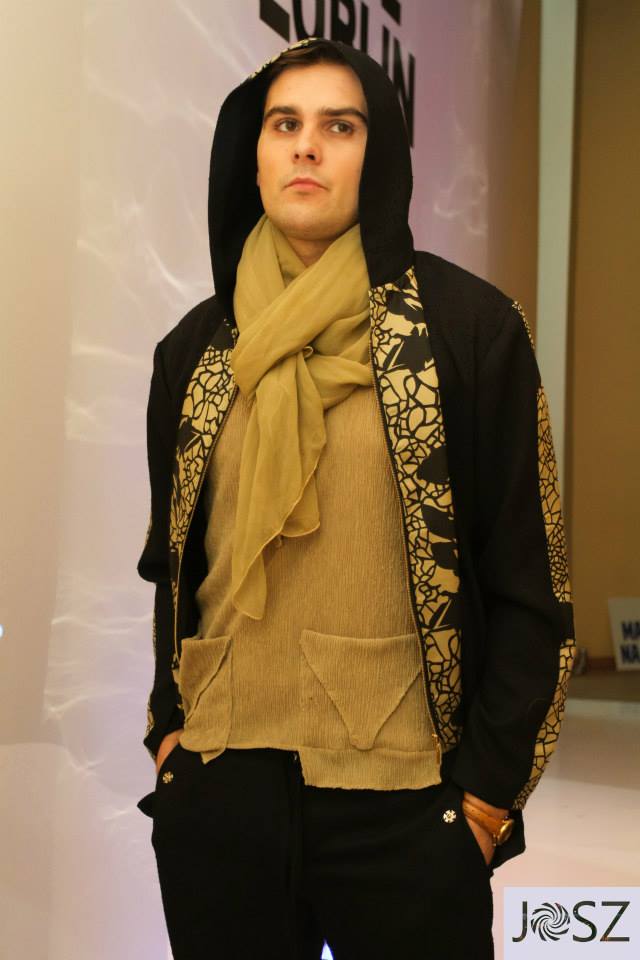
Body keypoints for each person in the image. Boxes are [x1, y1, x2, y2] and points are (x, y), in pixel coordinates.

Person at [135, 36, 576, 960]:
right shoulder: (196, 351)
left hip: (408, 812)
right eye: (284, 124)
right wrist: (170, 742)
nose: (307, 146)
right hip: (221, 799)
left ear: (380, 156)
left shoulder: (468, 330)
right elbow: (174, 571)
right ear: (252, 155)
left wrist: (483, 803)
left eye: (340, 126)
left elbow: (533, 592)